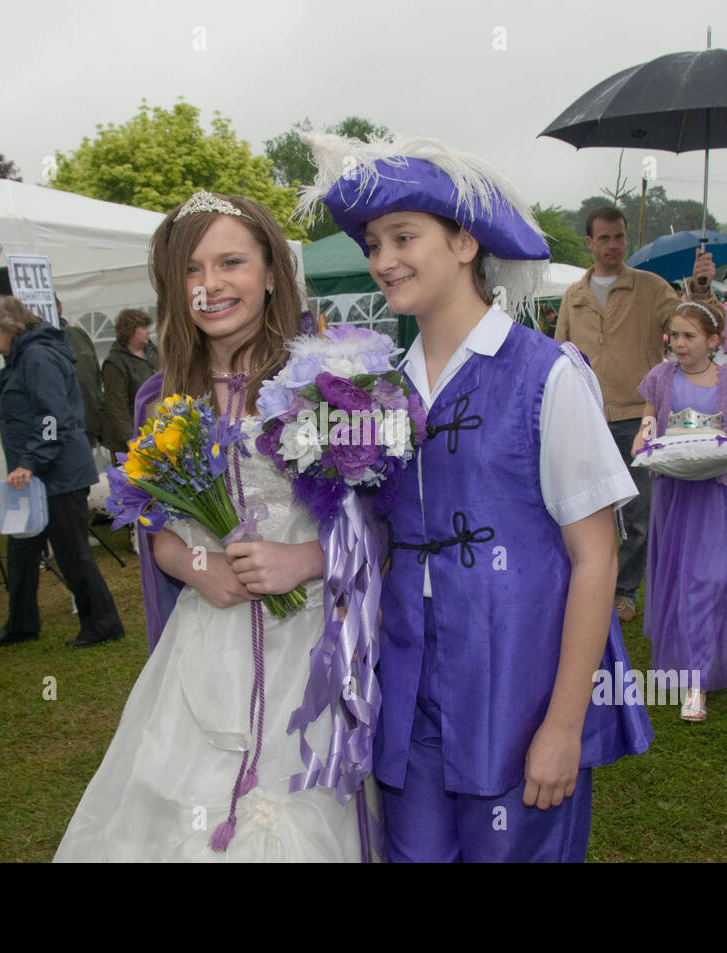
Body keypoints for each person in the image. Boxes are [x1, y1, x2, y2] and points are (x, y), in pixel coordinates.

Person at [304, 135, 652, 862]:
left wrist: (562, 725)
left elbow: (594, 558)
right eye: (373, 243)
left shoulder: (547, 374)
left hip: (518, 691)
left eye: (404, 237)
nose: (383, 259)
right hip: (407, 693)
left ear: (465, 242)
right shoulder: (380, 388)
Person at [55, 191, 367, 862]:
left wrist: (306, 559)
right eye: (191, 270)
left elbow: (384, 526)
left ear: (272, 272)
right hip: (203, 652)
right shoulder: (158, 395)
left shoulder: (330, 384)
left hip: (308, 648)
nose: (210, 284)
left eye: (230, 262)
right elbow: (152, 525)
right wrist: (200, 566)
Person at [554, 207, 723, 623]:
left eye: (620, 237)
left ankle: (624, 590)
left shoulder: (651, 288)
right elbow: (557, 353)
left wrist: (701, 289)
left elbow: (700, 325)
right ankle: (583, 583)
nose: (614, 246)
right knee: (583, 507)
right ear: (589, 243)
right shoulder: (573, 296)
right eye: (605, 238)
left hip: (637, 414)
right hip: (586, 415)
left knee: (637, 511)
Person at [633, 303, 727, 721]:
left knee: (708, 583)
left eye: (689, 336)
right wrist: (643, 443)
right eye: (674, 335)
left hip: (717, 499)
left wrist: (723, 452)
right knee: (680, 581)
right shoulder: (661, 379)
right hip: (676, 496)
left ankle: (698, 679)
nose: (679, 343)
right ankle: (686, 668)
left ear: (713, 341)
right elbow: (648, 427)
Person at [0, 297, 123, 648]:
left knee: (72, 552)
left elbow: (51, 418)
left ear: (9, 328)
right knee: (22, 552)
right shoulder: (24, 357)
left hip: (56, 474)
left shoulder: (37, 357)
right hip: (37, 473)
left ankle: (103, 623)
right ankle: (21, 622)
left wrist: (29, 461)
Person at [100, 308, 159, 466]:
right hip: (130, 441)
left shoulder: (154, 353)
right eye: (144, 328)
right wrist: (129, 439)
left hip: (156, 432)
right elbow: (116, 404)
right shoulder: (114, 363)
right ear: (131, 330)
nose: (148, 332)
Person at [56, 295, 105, 449]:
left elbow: (95, 377)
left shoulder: (78, 334)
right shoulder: (39, 349)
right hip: (65, 434)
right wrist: (49, 440)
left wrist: (99, 423)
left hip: (89, 425)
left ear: (59, 306)